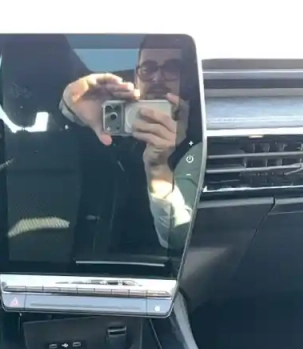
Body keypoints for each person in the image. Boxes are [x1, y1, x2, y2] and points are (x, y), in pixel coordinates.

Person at [59, 35, 202, 251]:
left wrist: (159, 169)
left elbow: (179, 238)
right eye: (148, 68)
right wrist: (69, 102)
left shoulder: (204, 144)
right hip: (95, 259)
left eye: (172, 68)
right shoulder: (110, 128)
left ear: (188, 79)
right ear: (137, 77)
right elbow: (66, 130)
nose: (157, 78)